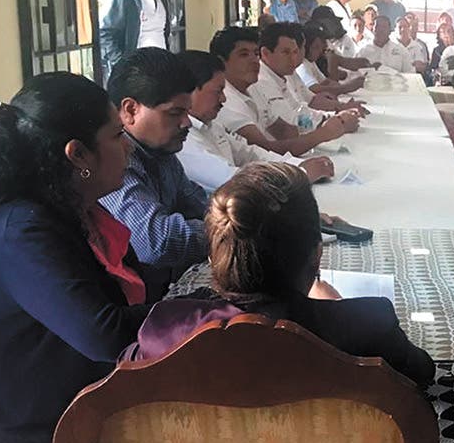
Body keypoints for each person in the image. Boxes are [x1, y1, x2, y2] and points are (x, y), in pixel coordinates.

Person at [124, 162, 435, 385]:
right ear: (316, 255)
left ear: (214, 256)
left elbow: (124, 390)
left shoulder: (165, 330)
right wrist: (336, 308)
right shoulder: (366, 325)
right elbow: (422, 375)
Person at [0, 73, 153, 443]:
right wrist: (193, 309)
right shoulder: (20, 231)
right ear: (78, 154)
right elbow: (104, 333)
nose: (129, 146)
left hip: (89, 414)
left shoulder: (76, 211)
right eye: (117, 135)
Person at [99, 48, 208, 291]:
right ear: (130, 110)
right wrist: (229, 231)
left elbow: (201, 206)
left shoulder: (162, 153)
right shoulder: (117, 162)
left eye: (187, 112)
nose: (186, 123)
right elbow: (156, 242)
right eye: (174, 113)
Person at [175, 50, 334, 192]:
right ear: (189, 93)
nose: (223, 98)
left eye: (255, 54)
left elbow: (250, 154)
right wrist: (301, 174)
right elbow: (231, 182)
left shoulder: (211, 124)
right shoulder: (184, 139)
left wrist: (297, 165)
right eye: (217, 92)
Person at [211, 26, 355, 156]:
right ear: (221, 62)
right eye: (244, 55)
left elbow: (285, 131)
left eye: (255, 54)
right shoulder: (227, 101)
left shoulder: (251, 88)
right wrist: (324, 132)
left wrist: (330, 123)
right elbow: (265, 149)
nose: (254, 60)